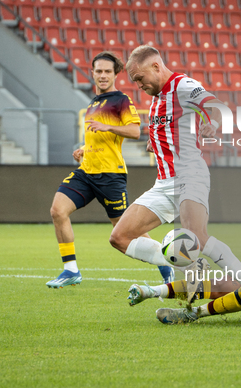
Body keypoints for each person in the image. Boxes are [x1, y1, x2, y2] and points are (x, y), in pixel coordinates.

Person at [108, 45, 241, 327]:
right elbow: (171, 132)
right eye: (134, 81)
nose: (138, 85)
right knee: (120, 238)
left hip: (189, 174)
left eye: (139, 78)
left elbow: (216, 106)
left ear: (156, 66)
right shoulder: (157, 100)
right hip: (164, 183)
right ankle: (187, 262)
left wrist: (211, 123)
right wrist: (156, 143)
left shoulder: (183, 85)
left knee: (196, 236)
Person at [46, 51, 173, 288]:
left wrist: (106, 126)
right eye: (98, 71)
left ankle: (165, 263)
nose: (102, 75)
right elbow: (101, 136)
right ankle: (70, 270)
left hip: (110, 176)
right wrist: (85, 148)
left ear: (115, 74)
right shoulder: (94, 102)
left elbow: (135, 131)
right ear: (92, 73)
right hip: (86, 172)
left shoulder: (120, 100)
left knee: (127, 231)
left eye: (107, 71)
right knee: (57, 210)